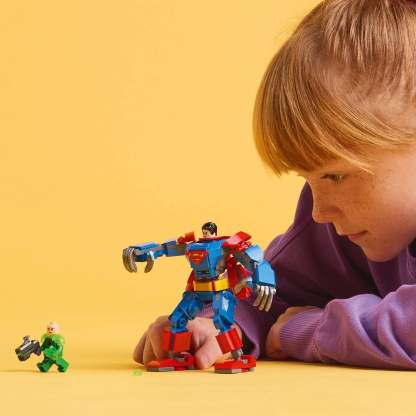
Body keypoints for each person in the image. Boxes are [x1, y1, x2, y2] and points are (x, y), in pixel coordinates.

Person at [133, 0, 416, 370]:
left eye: (335, 176)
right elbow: (268, 293)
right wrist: (217, 326)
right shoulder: (334, 230)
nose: (320, 211)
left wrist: (310, 330)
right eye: (308, 180)